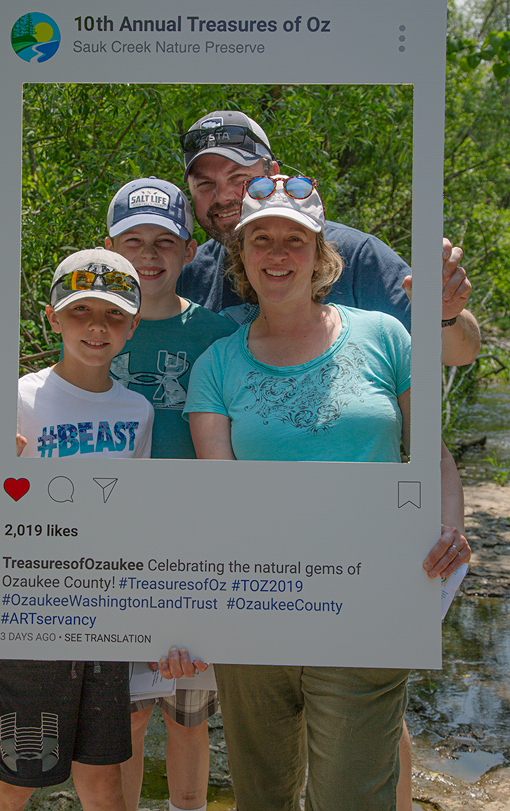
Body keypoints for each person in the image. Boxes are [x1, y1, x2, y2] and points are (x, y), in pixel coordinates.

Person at [183, 175, 470, 811]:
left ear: (321, 255)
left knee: (351, 797)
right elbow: (219, 496)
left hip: (368, 606)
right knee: (264, 798)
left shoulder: (385, 338)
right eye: (262, 239)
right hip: (253, 612)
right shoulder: (216, 366)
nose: (278, 253)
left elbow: (432, 456)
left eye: (295, 239)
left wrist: (449, 527)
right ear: (241, 255)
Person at [0, 248, 154, 811]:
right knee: (21, 771)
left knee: (102, 777)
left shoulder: (138, 411)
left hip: (106, 610)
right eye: (80, 311)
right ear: (52, 316)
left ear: (133, 326)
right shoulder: (18, 399)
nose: (97, 326)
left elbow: (137, 521)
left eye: (115, 314)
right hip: (31, 613)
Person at [105, 177, 237, 811]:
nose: (149, 256)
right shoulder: (95, 327)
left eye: (164, 242)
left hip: (199, 545)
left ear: (189, 251)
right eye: (134, 242)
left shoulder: (217, 334)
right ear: (111, 249)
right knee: (126, 716)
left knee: (190, 714)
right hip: (115, 552)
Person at [177, 109, 480, 366]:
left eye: (238, 178)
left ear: (273, 174)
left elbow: (458, 354)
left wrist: (444, 317)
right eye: (205, 184)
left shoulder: (356, 255)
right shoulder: (187, 276)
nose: (223, 196)